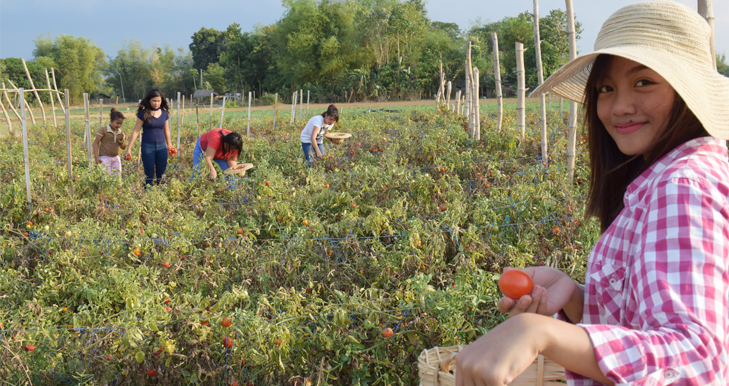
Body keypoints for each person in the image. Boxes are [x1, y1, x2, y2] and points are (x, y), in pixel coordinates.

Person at [456, 2, 729, 385]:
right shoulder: (668, 177)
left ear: (688, 91)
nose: (619, 106)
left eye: (643, 82)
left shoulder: (680, 187)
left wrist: (542, 333)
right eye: (606, 88)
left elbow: (695, 359)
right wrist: (575, 298)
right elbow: (645, 321)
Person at [123, 89, 176, 186]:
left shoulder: (164, 114)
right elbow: (136, 131)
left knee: (161, 173)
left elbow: (166, 130)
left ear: (161, 101)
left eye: (158, 101)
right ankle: (148, 193)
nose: (156, 103)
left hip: (161, 147)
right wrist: (128, 148)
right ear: (149, 101)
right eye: (154, 101)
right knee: (149, 174)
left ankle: (161, 193)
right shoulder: (144, 113)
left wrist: (169, 144)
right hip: (148, 147)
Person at [92, 108, 126, 177]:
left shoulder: (120, 132)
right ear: (111, 121)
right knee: (105, 178)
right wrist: (96, 157)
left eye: (121, 124)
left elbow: (123, 147)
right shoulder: (103, 130)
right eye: (117, 123)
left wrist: (121, 139)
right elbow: (96, 143)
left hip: (116, 158)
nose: (119, 125)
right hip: (104, 158)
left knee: (117, 178)